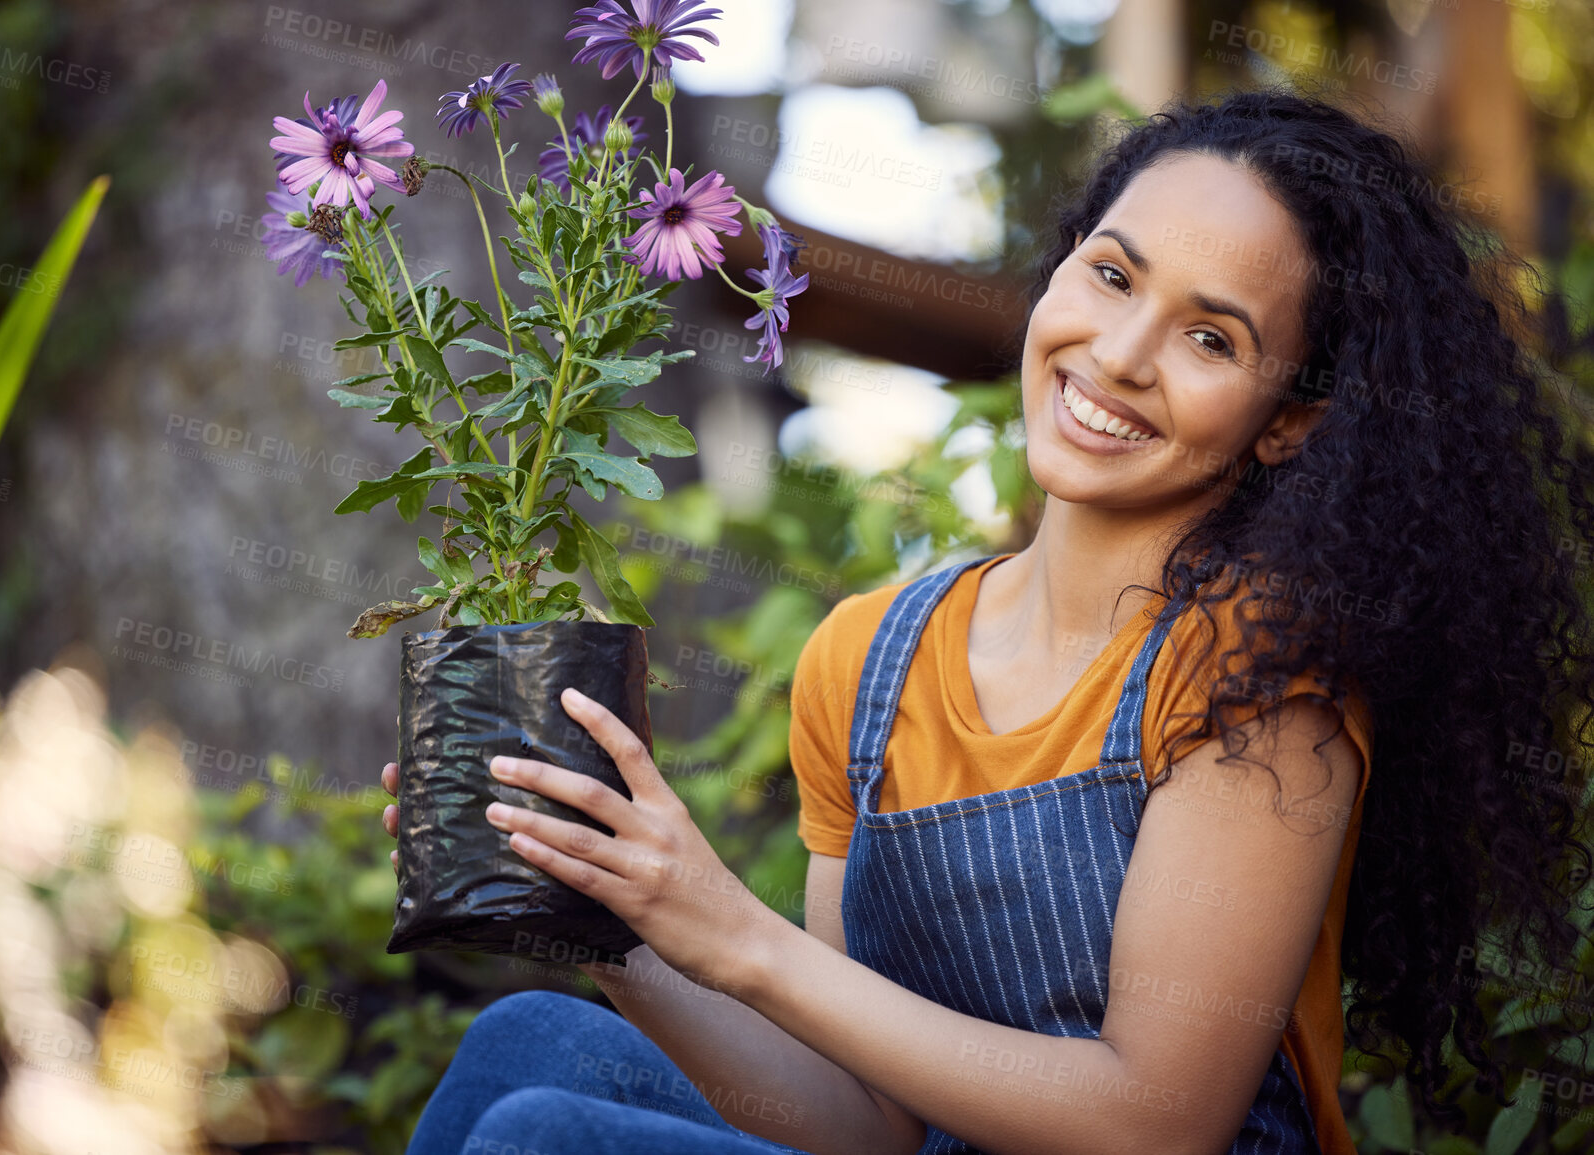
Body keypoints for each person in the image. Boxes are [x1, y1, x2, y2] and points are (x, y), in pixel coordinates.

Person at [378, 88, 1594, 1155]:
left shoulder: (1257, 680)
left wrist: (737, 938)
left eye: (1212, 337)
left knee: (545, 1138)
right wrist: (608, 917)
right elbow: (868, 1125)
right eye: (1112, 275)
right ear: (1062, 269)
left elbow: (1160, 1123)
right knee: (532, 1039)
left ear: (1290, 420)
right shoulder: (868, 659)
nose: (1119, 354)